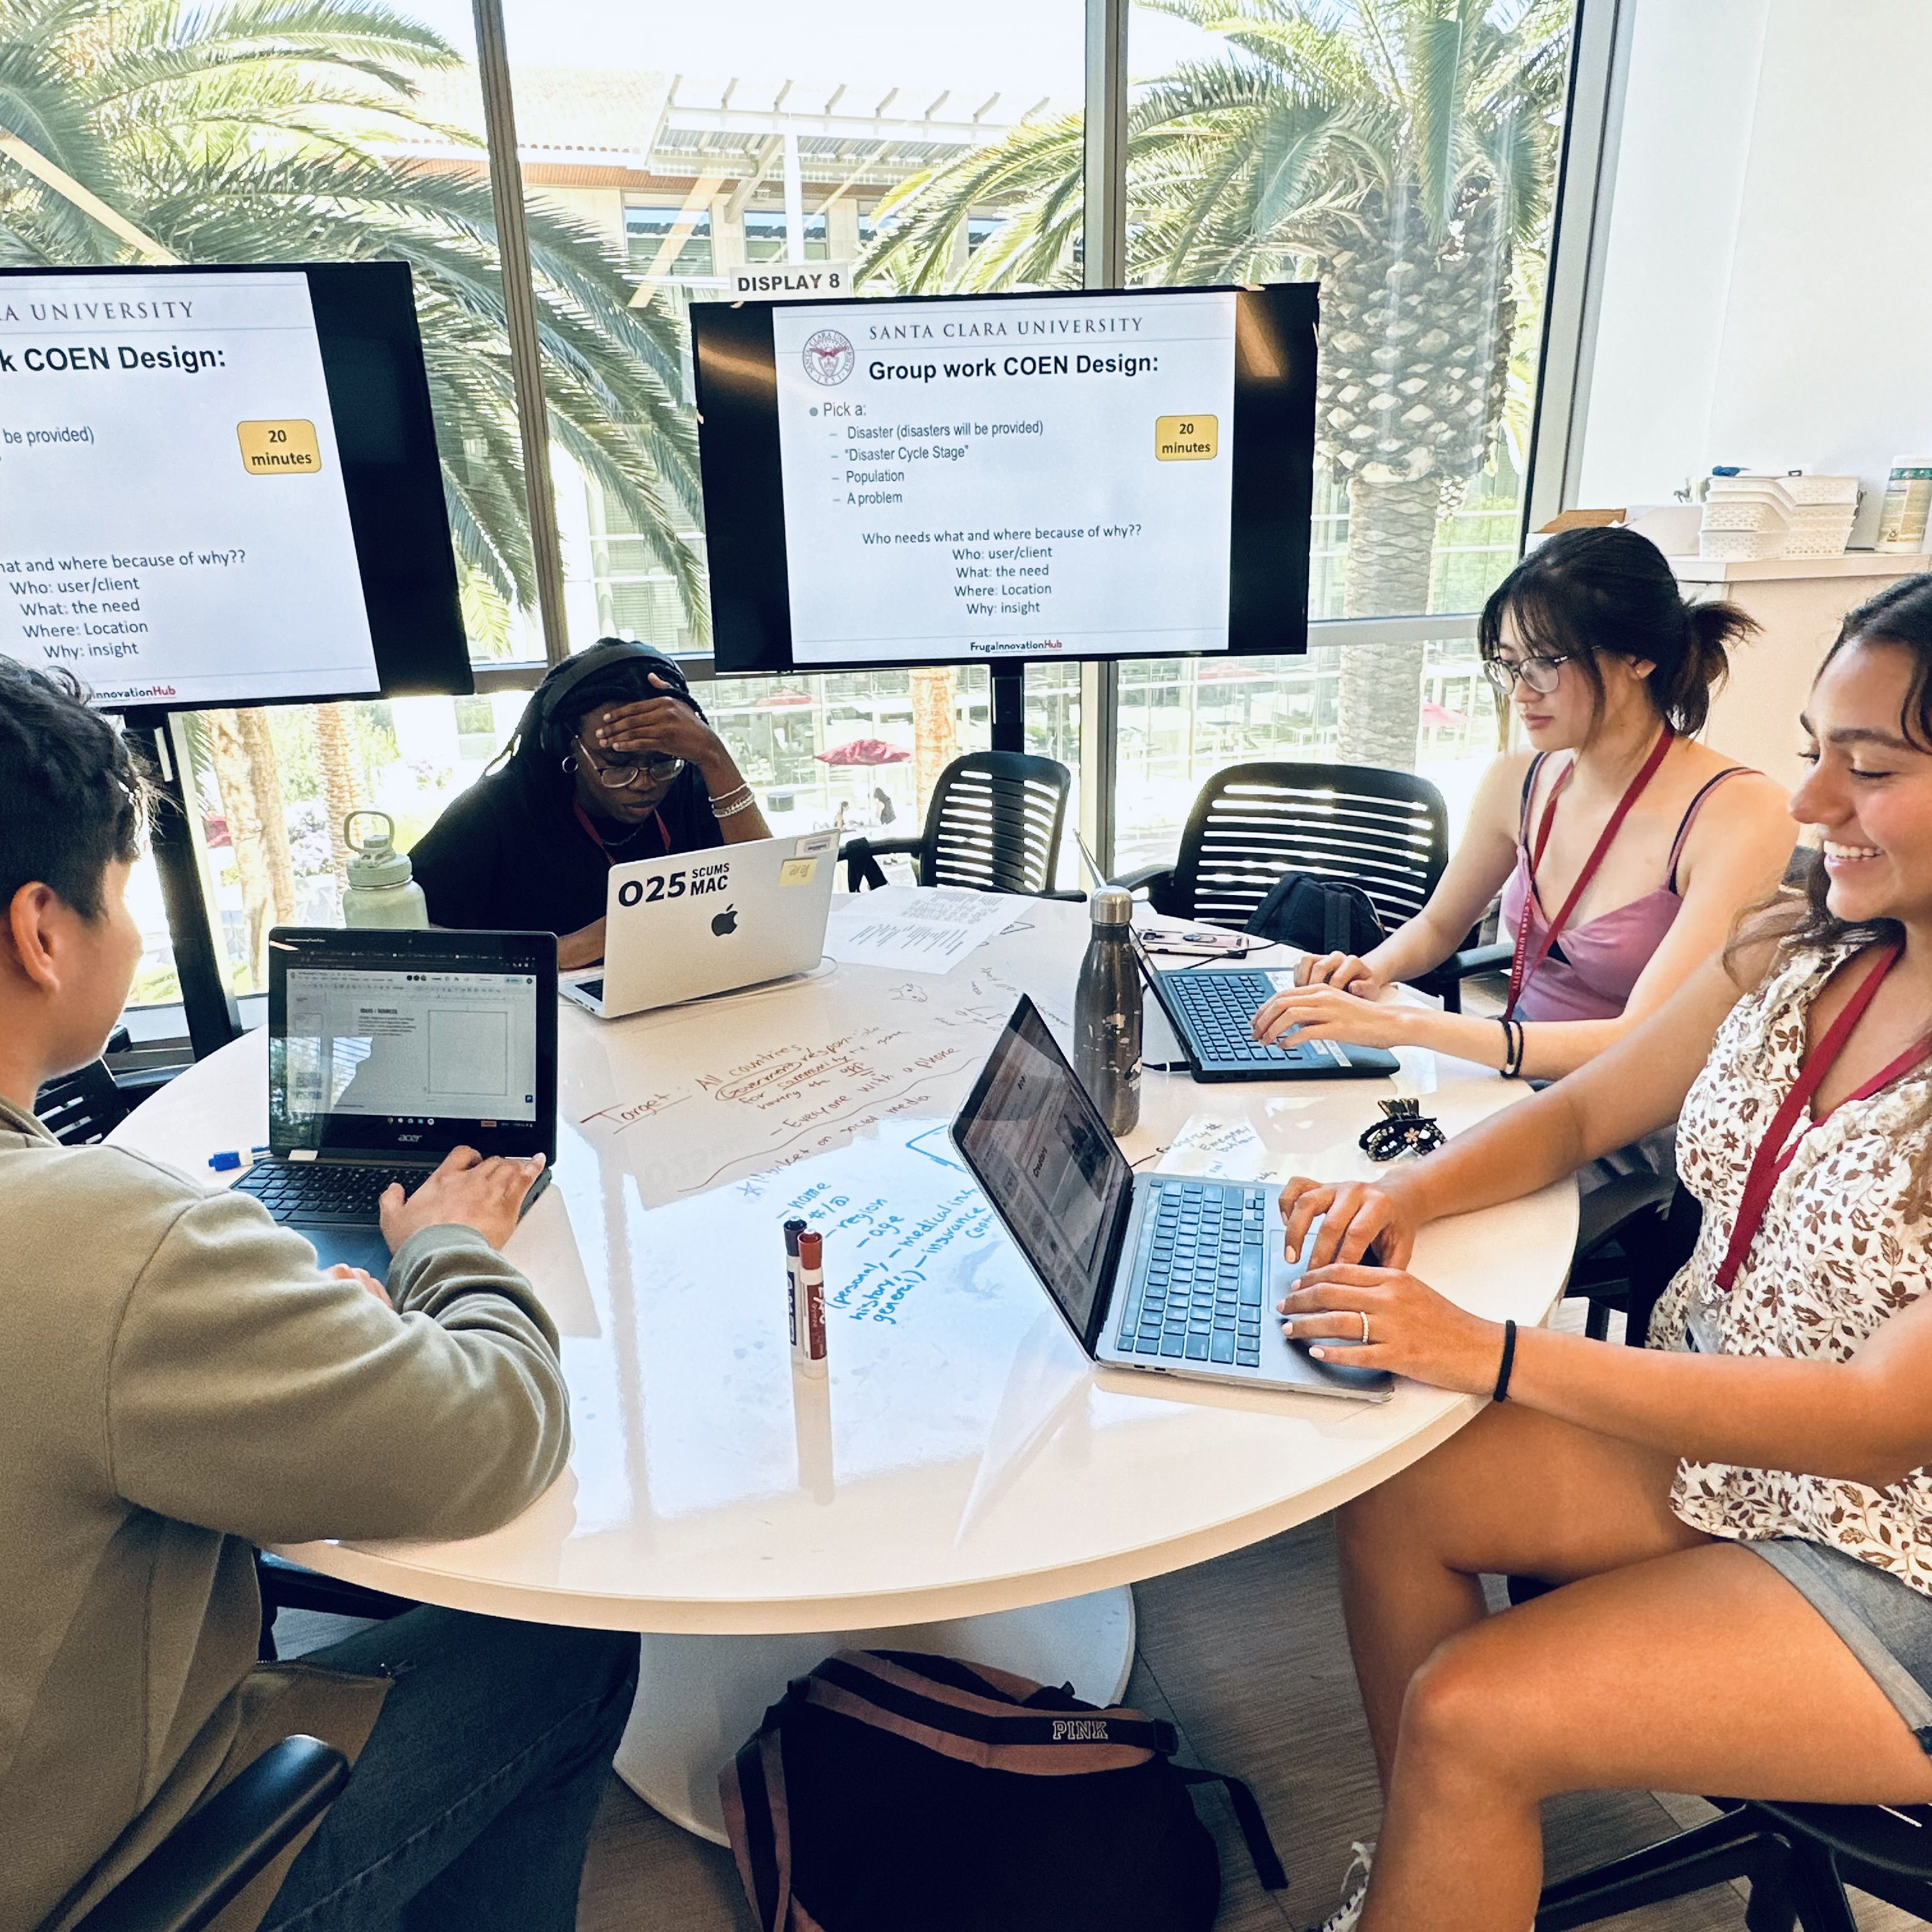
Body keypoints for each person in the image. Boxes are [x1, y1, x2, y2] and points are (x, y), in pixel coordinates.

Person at [1268, 575, 1932, 1932]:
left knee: (1467, 1709)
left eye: (1868, 769)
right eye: (1813, 750)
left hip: (1899, 1546)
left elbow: (1876, 1423)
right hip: (1728, 1437)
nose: (1810, 801)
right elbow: (1587, 1108)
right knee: (1392, 1487)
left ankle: (1454, 1808)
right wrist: (1404, 1197)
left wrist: (1490, 1353)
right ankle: (1439, 1857)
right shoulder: (1807, 944)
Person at [0, 660, 638, 1932]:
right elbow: (496, 1433)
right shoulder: (96, 1242)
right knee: (568, 1649)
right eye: (125, 892)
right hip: (104, 1874)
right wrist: (451, 1247)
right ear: (41, 931)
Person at [1250, 527, 1795, 1080]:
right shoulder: (1520, 776)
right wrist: (1364, 973)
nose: (1521, 693)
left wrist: (1405, 1025)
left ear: (1639, 657)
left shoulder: (1742, 811)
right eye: (1510, 664)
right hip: (1516, 1075)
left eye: (1544, 664)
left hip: (1631, 1102)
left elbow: (1641, 1038)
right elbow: (1438, 927)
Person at [410, 638, 770, 969]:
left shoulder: (687, 779)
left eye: (661, 761)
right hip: (552, 1007)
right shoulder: (495, 809)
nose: (644, 782)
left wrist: (714, 756)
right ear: (566, 744)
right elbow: (406, 940)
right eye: (616, 764)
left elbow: (769, 897)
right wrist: (564, 949)